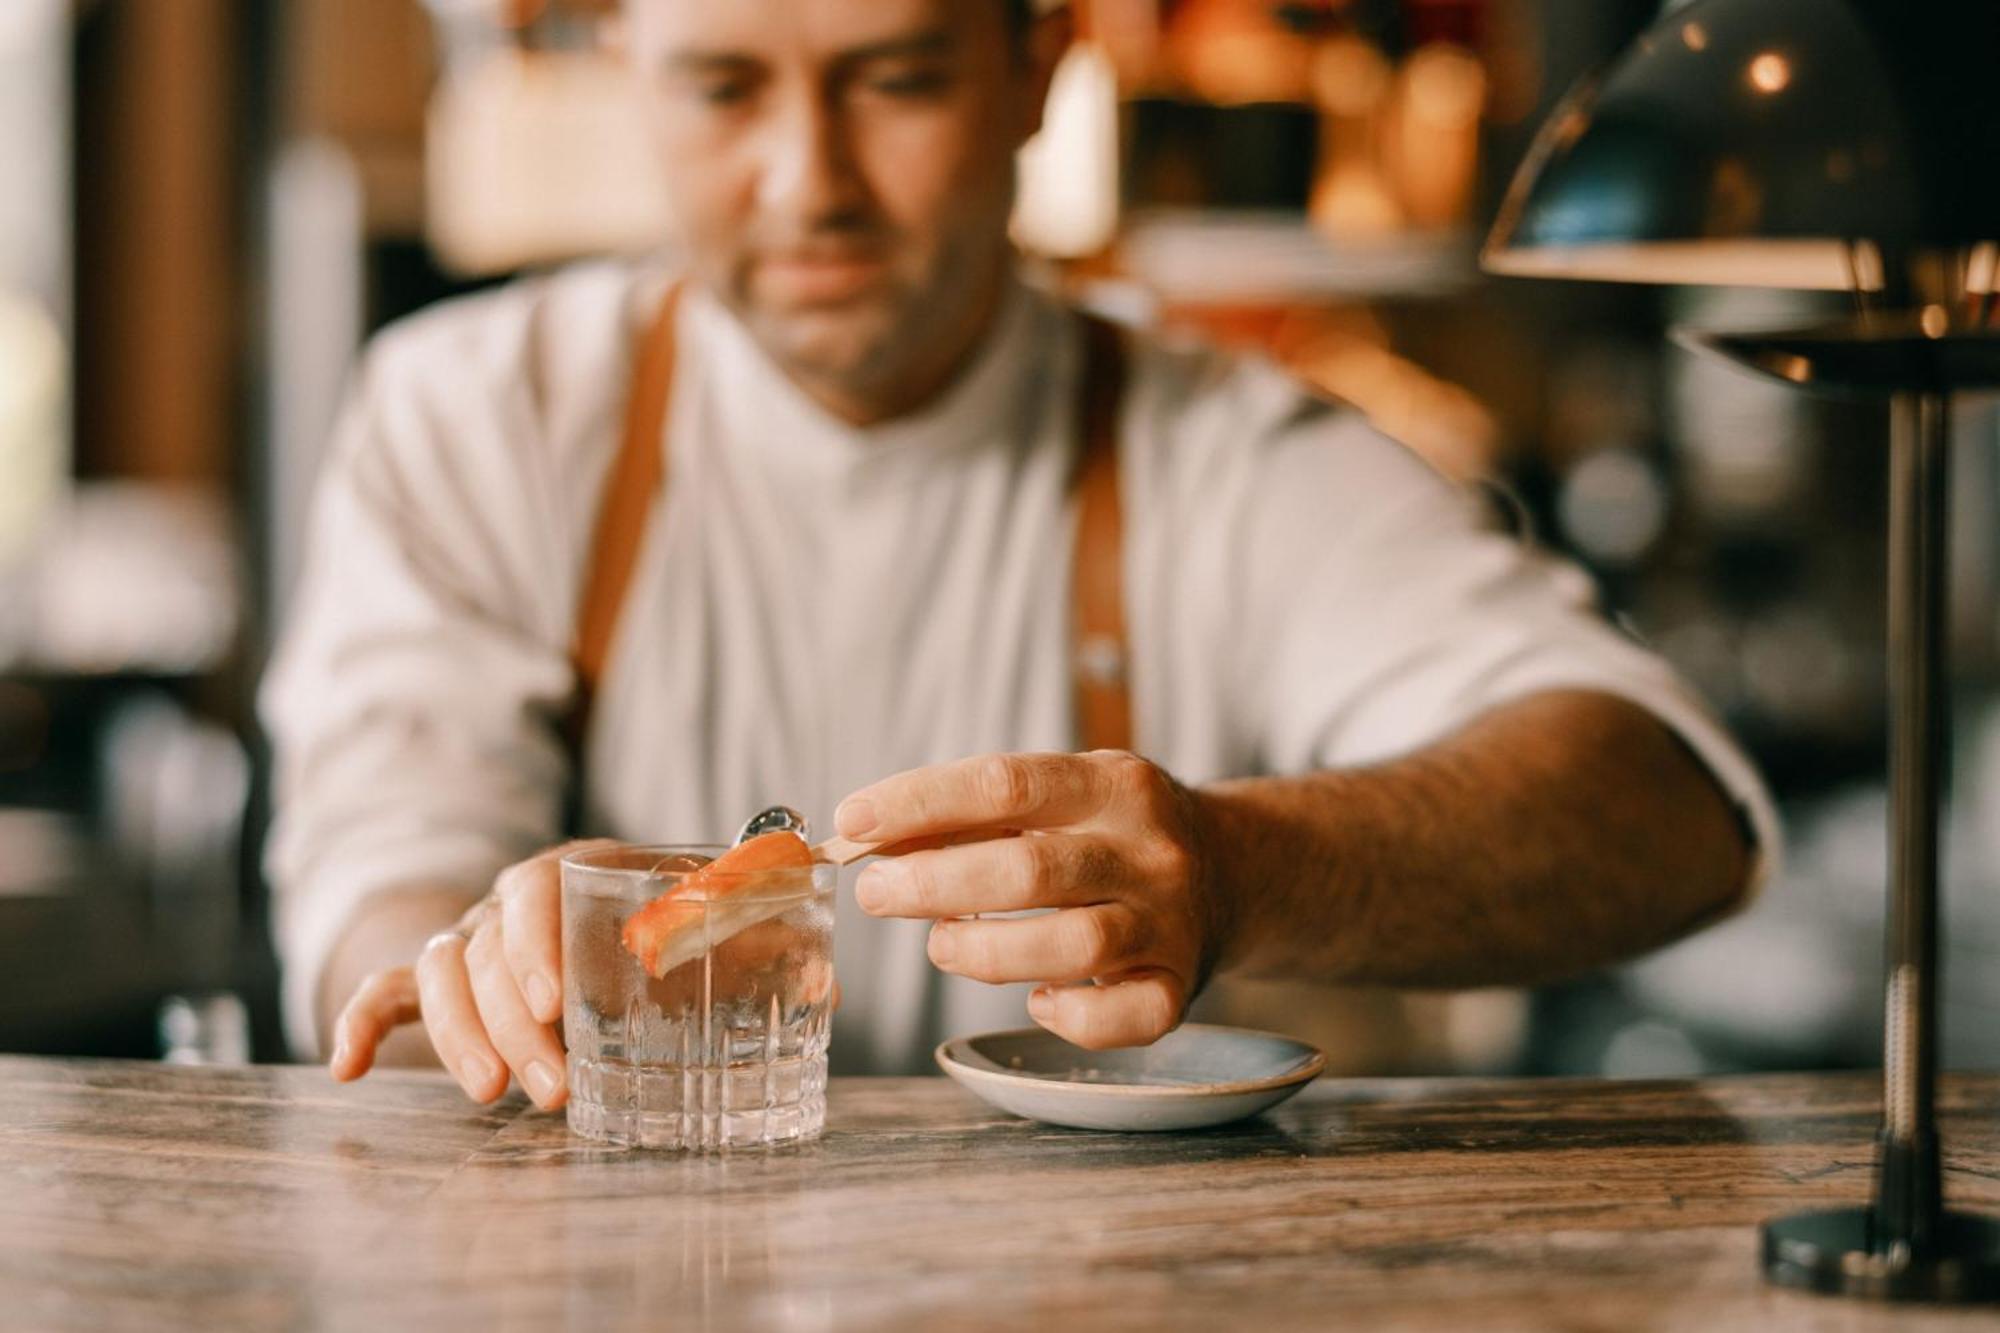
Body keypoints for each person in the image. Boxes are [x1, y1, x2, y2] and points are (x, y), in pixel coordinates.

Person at [264, 0, 1778, 1109]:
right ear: (626, 69)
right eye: (724, 87)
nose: (810, 181)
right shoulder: (472, 416)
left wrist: (1244, 866)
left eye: (897, 80)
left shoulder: (1231, 455)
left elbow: (1669, 803)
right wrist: (477, 964)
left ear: (1035, 71)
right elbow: (379, 889)